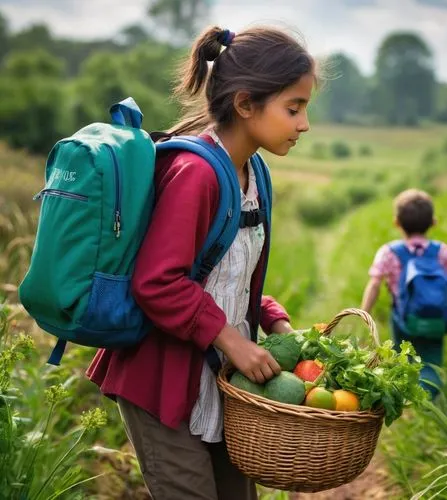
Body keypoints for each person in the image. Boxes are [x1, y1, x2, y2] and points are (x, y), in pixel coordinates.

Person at [86, 25, 316, 499]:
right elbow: (158, 282)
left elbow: (224, 273)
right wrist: (232, 339)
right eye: (293, 108)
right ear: (246, 104)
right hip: (163, 381)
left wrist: (272, 320)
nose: (303, 124)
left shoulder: (256, 174)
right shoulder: (197, 175)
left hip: (220, 381)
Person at [361, 189, 447, 399]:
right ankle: (428, 401)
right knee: (432, 363)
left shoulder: (389, 252)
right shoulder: (442, 251)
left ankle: (408, 402)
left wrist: (364, 313)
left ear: (396, 222)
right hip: (436, 319)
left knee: (404, 359)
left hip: (403, 318)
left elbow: (374, 284)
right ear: (433, 222)